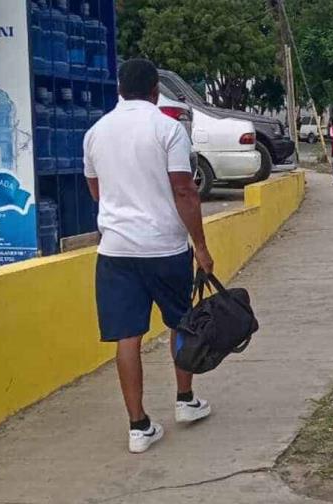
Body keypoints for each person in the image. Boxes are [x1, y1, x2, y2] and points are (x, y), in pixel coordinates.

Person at [83, 59, 214, 454]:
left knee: (127, 337)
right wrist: (202, 247)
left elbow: (96, 191)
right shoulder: (167, 129)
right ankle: (185, 401)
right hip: (165, 247)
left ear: (120, 89)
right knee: (180, 323)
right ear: (156, 90)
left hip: (116, 251)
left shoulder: (95, 133)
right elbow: (184, 191)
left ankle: (138, 426)